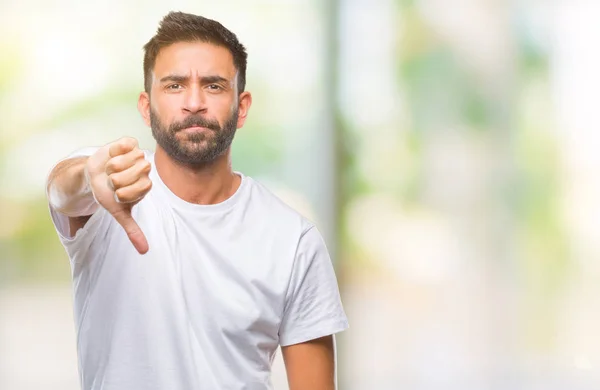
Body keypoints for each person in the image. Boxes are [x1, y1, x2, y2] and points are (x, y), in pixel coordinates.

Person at [45, 11, 348, 390]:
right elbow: (63, 190)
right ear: (145, 106)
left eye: (214, 85)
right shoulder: (108, 193)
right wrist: (90, 177)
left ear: (242, 106)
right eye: (174, 86)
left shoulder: (293, 240)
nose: (193, 102)